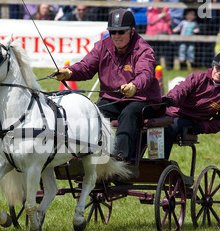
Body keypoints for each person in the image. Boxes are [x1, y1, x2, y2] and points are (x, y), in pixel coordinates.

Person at [54, 9, 161, 161]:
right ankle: (84, 154)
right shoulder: (102, 46)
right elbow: (86, 67)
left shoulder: (144, 50)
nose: (117, 36)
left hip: (142, 100)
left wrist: (133, 87)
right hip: (112, 99)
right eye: (113, 32)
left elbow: (145, 74)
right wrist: (69, 73)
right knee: (91, 112)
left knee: (129, 113)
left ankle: (120, 159)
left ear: (132, 32)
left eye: (121, 32)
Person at [162, 51, 220, 159]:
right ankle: (134, 160)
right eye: (217, 68)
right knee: (143, 123)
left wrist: (202, 127)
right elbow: (181, 89)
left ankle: (159, 164)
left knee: (167, 128)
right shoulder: (197, 78)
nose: (219, 72)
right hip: (171, 112)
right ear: (213, 66)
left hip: (190, 121)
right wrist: (171, 99)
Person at [146, 0, 172, 68]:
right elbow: (151, 20)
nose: (157, 2)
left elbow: (169, 20)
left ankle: (168, 67)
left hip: (164, 32)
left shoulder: (165, 9)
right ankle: (156, 66)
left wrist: (164, 14)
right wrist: (161, 15)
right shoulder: (151, 9)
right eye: (155, 0)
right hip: (153, 33)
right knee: (155, 51)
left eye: (159, 0)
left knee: (166, 51)